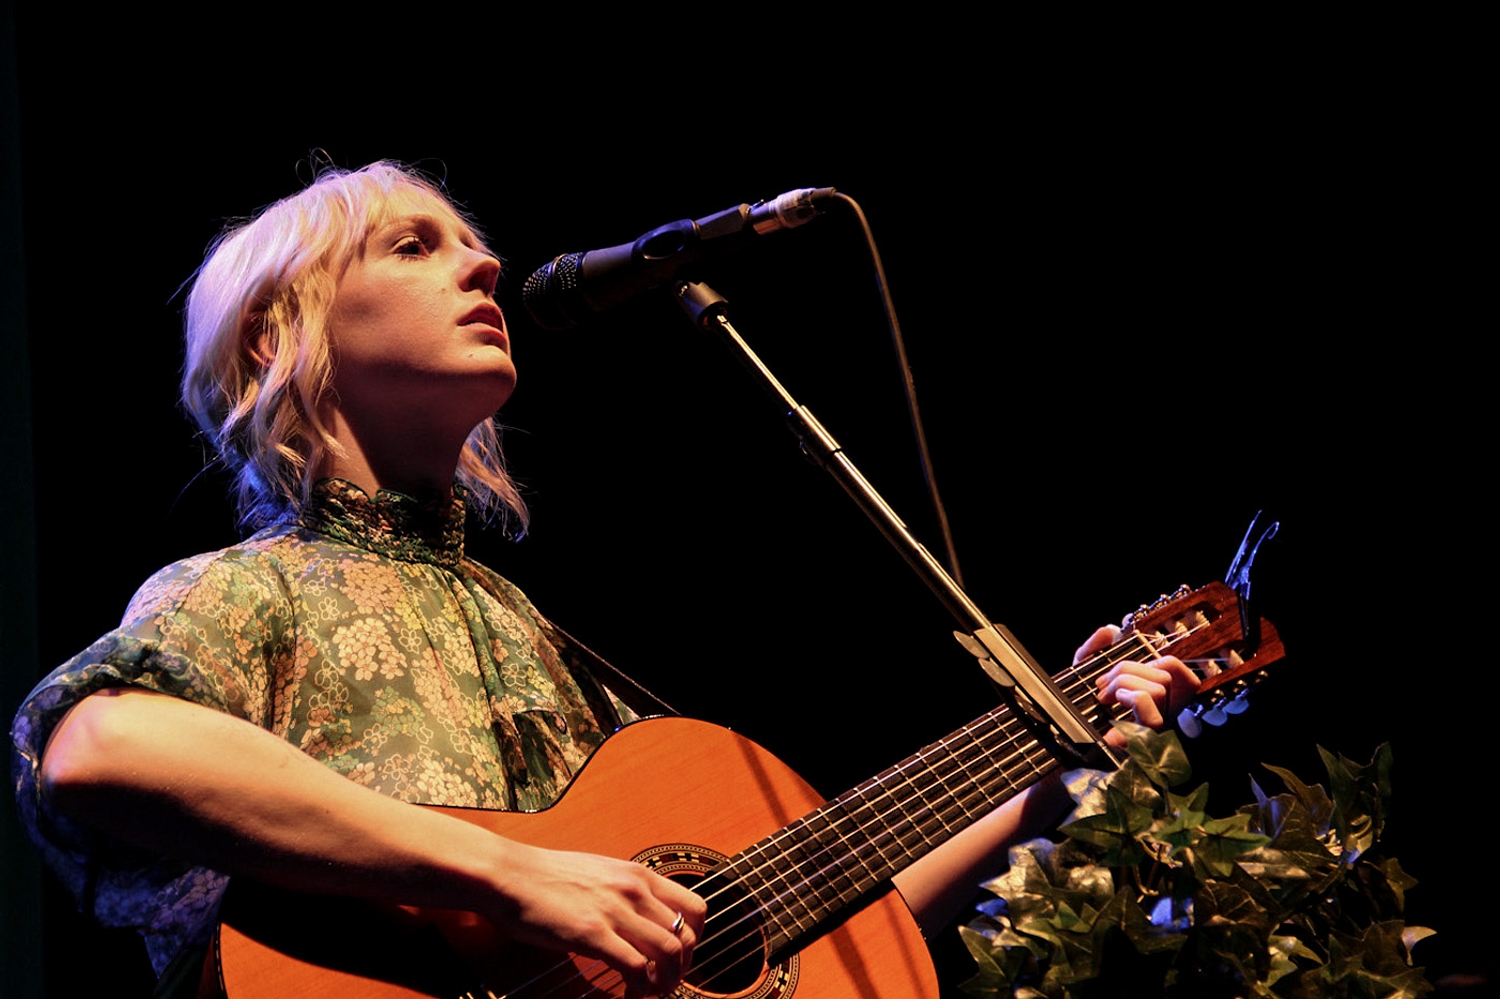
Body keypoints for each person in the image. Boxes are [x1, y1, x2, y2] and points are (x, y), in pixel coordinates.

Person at [11, 162, 1199, 998]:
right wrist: (512, 875)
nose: (483, 262)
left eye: (472, 242)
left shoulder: (528, 634)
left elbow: (780, 915)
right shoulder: (246, 591)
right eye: (415, 246)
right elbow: (103, 749)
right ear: (277, 338)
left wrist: (1047, 771)